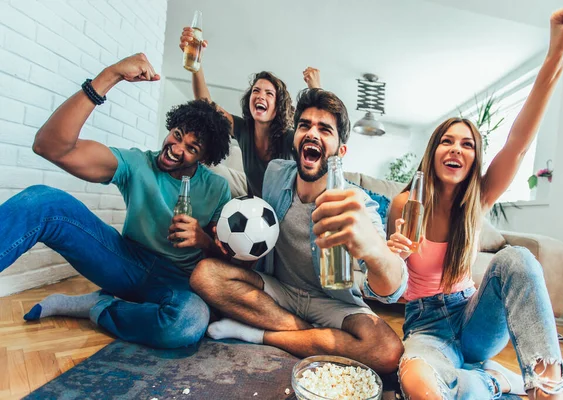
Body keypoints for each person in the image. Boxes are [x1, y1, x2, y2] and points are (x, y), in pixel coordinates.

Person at [387, 4, 563, 399]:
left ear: (474, 159)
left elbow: (518, 142)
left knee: (515, 258)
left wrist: (555, 56)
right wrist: (392, 255)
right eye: (447, 140)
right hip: (425, 324)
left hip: (474, 319)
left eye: (467, 144)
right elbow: (391, 285)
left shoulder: (479, 199)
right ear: (432, 152)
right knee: (414, 381)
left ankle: (549, 387)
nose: (456, 149)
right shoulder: (405, 205)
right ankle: (494, 380)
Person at [0, 53, 232, 349]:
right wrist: (110, 75)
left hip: (176, 281)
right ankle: (110, 300)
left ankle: (96, 307)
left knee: (187, 322)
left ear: (204, 158)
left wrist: (202, 240)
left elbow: (226, 260)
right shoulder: (137, 164)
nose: (176, 148)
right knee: (43, 201)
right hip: (125, 261)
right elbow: (49, 147)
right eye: (176, 135)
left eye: (191, 147)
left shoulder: (217, 188)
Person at [190, 88, 408, 374]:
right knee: (204, 275)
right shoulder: (275, 173)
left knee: (388, 351)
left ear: (341, 151)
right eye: (304, 125)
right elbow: (254, 219)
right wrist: (229, 236)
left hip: (332, 303)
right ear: (295, 137)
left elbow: (392, 290)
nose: (312, 133)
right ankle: (312, 335)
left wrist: (376, 251)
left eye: (325, 129)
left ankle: (258, 334)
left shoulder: (357, 203)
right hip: (279, 290)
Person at [179, 28, 321, 197]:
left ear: (278, 107)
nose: (261, 96)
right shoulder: (243, 129)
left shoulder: (289, 138)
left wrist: (316, 88)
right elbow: (206, 106)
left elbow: (320, 134)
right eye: (256, 91)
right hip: (253, 211)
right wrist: (197, 64)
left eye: (269, 94)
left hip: (285, 213)